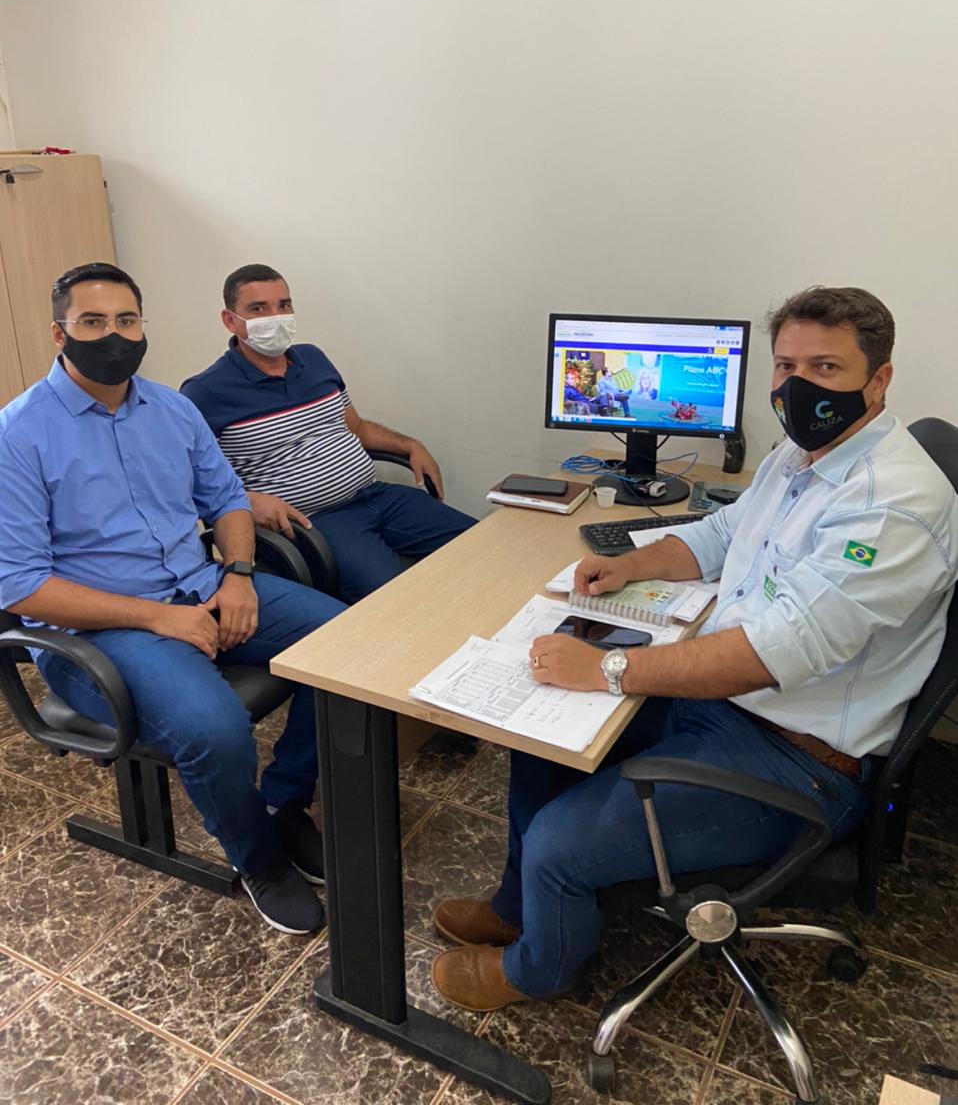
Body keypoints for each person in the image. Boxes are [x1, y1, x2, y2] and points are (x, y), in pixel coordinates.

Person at [430, 285, 958, 1011]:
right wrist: (632, 563)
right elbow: (723, 532)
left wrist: (608, 669)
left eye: (827, 368)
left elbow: (767, 656)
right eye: (787, 366)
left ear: (880, 379)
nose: (799, 387)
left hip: (797, 762)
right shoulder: (804, 453)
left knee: (558, 840)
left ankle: (537, 970)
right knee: (539, 742)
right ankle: (519, 907)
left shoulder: (892, 506)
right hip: (727, 708)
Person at [0, 263, 346, 936]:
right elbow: (21, 586)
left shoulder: (172, 408)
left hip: (202, 586)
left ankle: (281, 803)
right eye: (93, 322)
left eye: (126, 320)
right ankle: (259, 859)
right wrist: (159, 617)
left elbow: (227, 500)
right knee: (213, 728)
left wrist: (238, 575)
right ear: (60, 334)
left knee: (344, 647)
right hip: (98, 632)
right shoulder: (18, 434)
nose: (113, 335)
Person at [180, 265, 476, 604]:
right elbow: (183, 483)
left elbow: (356, 427)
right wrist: (246, 500)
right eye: (258, 309)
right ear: (230, 320)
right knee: (399, 601)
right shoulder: (205, 392)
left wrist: (409, 445)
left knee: (484, 546)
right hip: (314, 524)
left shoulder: (313, 359)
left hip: (376, 496)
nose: (276, 317)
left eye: (283, 305)